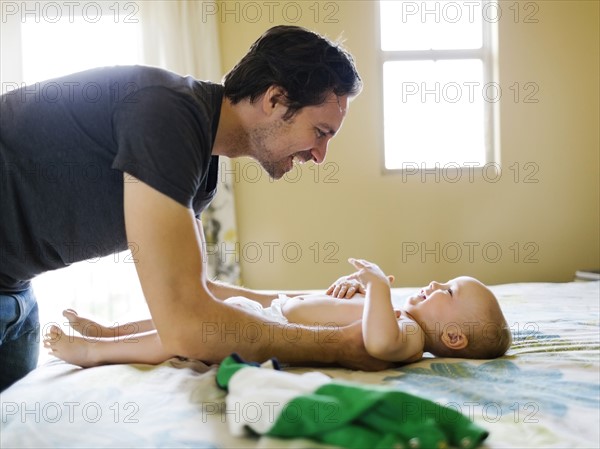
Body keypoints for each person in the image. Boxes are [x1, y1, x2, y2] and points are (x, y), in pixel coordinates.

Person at [0, 25, 380, 391]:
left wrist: (309, 303)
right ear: (275, 99)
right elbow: (188, 323)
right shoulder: (167, 114)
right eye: (320, 132)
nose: (320, 156)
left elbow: (201, 293)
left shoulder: (201, 166)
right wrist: (341, 346)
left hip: (14, 290)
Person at [43, 258, 512, 367]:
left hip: (268, 327)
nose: (433, 284)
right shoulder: (400, 314)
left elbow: (381, 342)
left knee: (183, 333)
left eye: (446, 290)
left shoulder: (409, 335)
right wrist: (356, 293)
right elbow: (356, 318)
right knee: (182, 314)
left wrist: (372, 287)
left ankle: (96, 350)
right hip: (272, 310)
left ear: (452, 338)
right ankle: (110, 329)